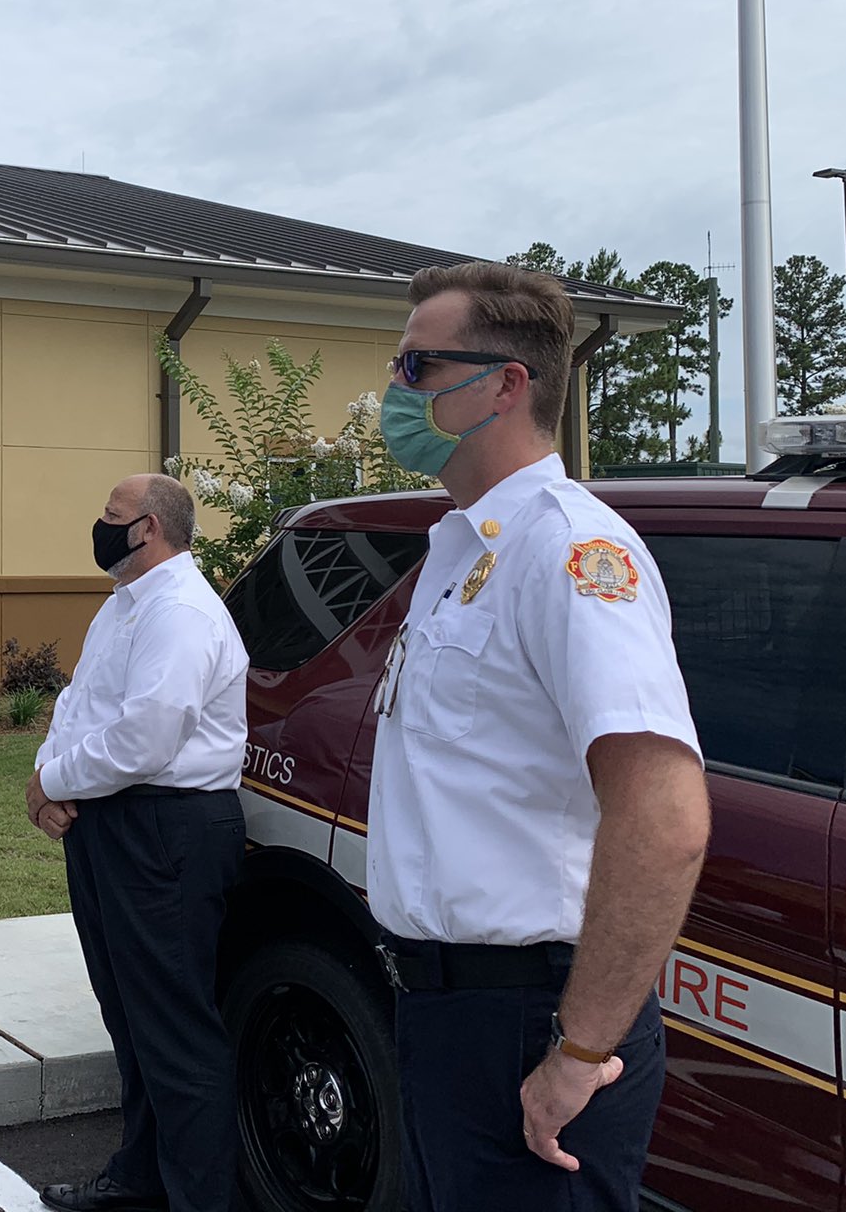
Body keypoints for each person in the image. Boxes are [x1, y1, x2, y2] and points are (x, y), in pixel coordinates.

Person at [364, 261, 708, 1212]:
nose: (394, 393)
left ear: (505, 385)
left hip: (535, 1016)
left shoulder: (567, 550)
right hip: (448, 1008)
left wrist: (582, 1049)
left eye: (416, 368)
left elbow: (665, 815)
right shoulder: (465, 550)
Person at [30, 475, 249, 1212]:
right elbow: (80, 703)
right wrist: (50, 781)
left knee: (175, 1034)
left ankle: (197, 1198)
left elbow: (147, 737)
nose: (100, 526)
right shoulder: (126, 604)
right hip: (114, 822)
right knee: (130, 1019)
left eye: (110, 516)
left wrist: (58, 779)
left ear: (148, 528)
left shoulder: (181, 611)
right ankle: (140, 1177)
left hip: (165, 829)